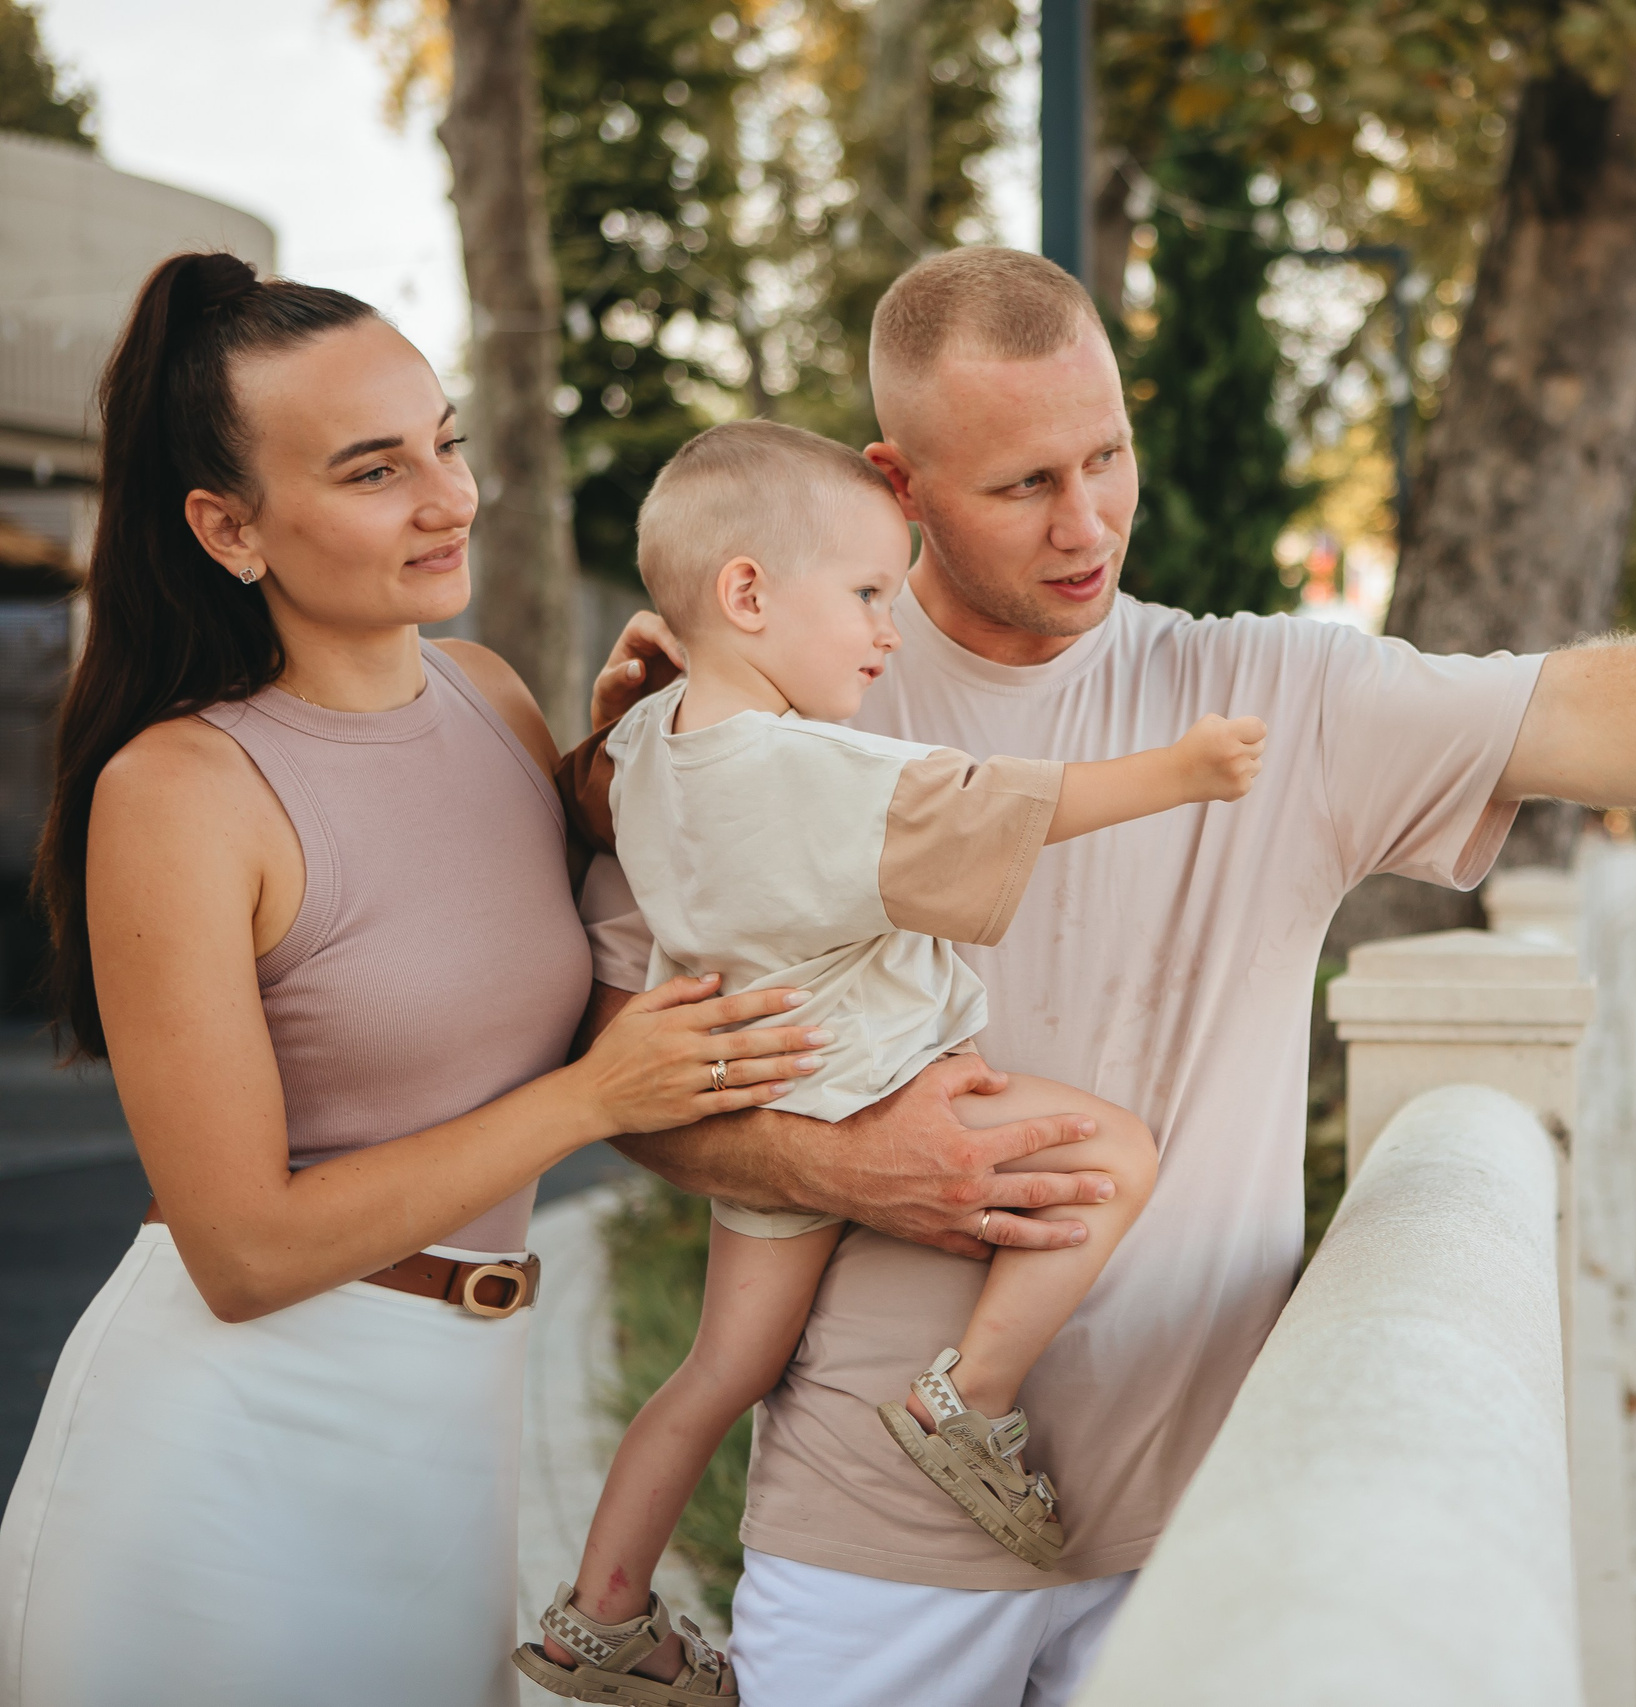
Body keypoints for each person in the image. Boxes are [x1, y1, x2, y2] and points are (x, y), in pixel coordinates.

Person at [571, 246, 1636, 1706]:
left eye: (1107, 455)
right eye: (1025, 483)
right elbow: (622, 1083)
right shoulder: (758, 722)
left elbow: (1578, 709)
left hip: (1210, 1507)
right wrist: (849, 1163)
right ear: (895, 485)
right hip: (875, 1531)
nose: (1087, 522)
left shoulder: (1269, 692)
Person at [0, 255, 837, 1707]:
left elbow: (539, 932)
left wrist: (637, 756)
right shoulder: (182, 789)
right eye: (375, 468)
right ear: (228, 525)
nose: (447, 495)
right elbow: (243, 1247)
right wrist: (589, 1098)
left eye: (444, 440)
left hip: (452, 1423)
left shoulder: (492, 695)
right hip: (229, 1451)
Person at [516, 420, 1264, 1703]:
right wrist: (1184, 772)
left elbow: (584, 797)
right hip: (876, 1079)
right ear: (745, 594)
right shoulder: (814, 769)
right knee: (1113, 1156)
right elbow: (1017, 806)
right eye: (866, 593)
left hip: (765, 1098)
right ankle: (965, 1397)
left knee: (717, 1374)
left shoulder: (649, 746)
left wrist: (614, 720)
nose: (890, 627)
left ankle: (600, 1618)